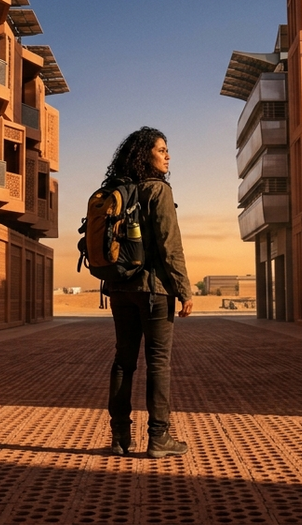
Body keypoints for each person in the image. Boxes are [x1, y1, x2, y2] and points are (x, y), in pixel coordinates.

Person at [101, 126, 194, 458]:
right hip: (155, 290)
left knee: (124, 362)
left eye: (167, 150)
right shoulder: (159, 191)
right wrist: (184, 290)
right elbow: (170, 246)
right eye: (161, 150)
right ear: (145, 155)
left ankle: (119, 438)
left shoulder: (119, 191)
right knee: (158, 363)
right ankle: (158, 438)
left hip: (120, 289)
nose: (168, 156)